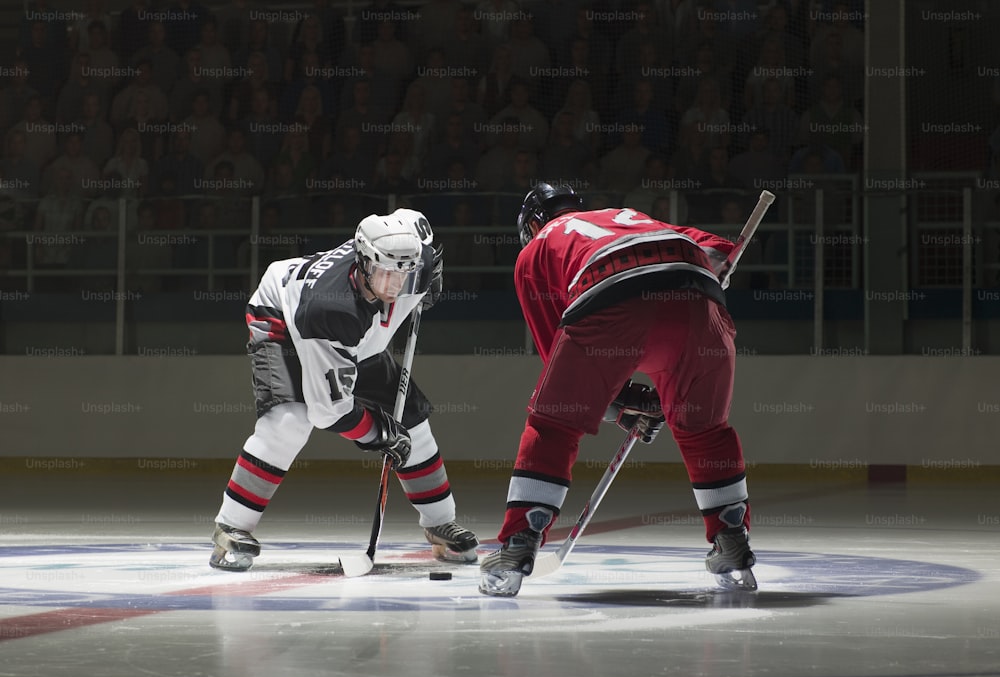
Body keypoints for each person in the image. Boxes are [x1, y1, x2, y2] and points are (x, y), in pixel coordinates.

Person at [478, 183, 757, 596]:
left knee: (555, 423)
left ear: (533, 223)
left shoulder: (536, 249)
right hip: (700, 297)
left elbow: (557, 361)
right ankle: (731, 542)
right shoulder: (624, 215)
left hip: (612, 293)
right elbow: (717, 247)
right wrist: (720, 262)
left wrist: (619, 404)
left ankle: (519, 543)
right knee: (705, 431)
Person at [210, 208, 479, 571]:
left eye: (404, 272)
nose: (394, 284)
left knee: (410, 419)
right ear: (363, 263)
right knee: (290, 419)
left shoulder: (416, 260)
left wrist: (428, 278)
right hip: (283, 317)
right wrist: (376, 433)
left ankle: (440, 521)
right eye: (385, 271)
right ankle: (232, 526)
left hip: (355, 336)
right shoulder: (330, 310)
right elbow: (329, 411)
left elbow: (414, 222)